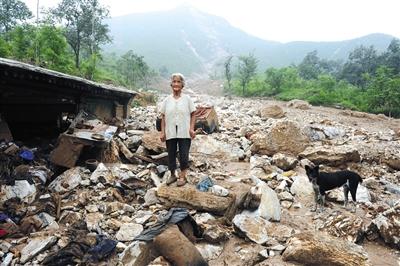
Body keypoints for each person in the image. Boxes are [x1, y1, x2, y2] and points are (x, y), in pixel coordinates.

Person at [160, 73, 196, 186]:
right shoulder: (167, 100)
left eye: (178, 82)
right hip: (170, 131)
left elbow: (193, 114)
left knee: (184, 155)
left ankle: (183, 176)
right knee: (171, 153)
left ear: (182, 85)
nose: (176, 84)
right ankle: (172, 175)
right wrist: (162, 132)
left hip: (184, 131)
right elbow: (163, 116)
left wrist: (191, 129)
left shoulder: (187, 99)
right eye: (174, 82)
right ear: (171, 84)